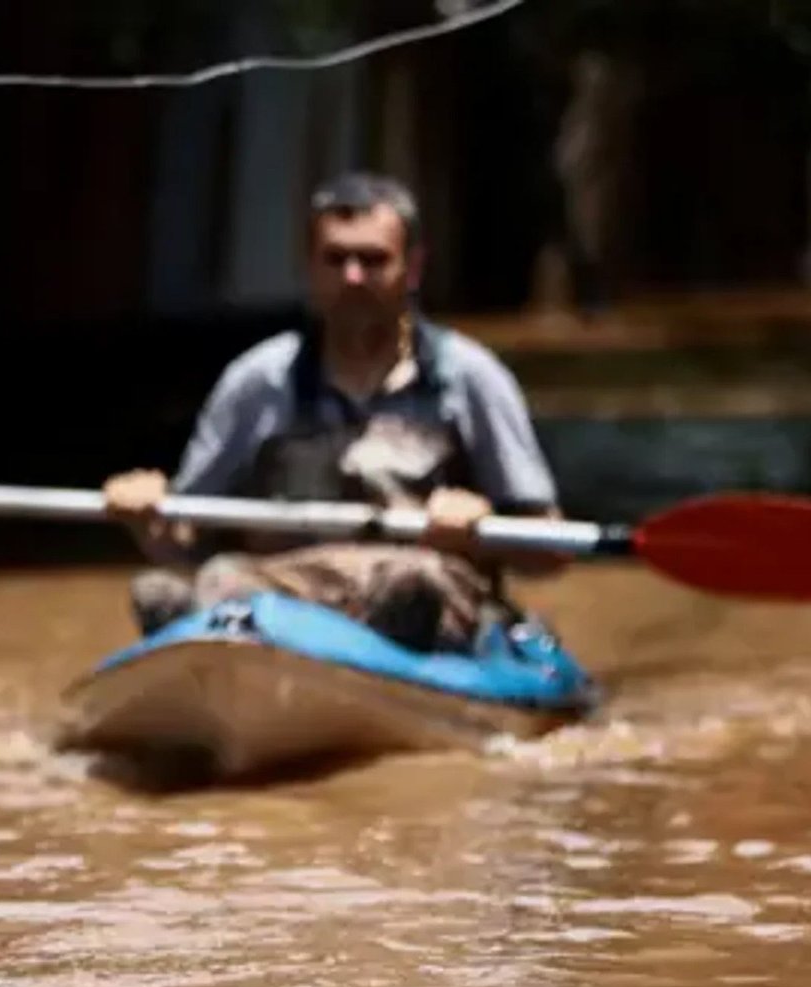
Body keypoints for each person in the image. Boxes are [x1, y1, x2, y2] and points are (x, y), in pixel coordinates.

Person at [102, 171, 568, 654]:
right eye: (336, 259)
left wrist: (480, 528)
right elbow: (187, 540)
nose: (352, 277)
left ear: (413, 269)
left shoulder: (470, 379)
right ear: (310, 266)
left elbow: (552, 550)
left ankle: (388, 654)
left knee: (413, 579)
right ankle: (197, 632)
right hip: (288, 597)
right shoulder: (258, 381)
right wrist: (147, 519)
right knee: (221, 578)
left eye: (372, 260)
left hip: (420, 593)